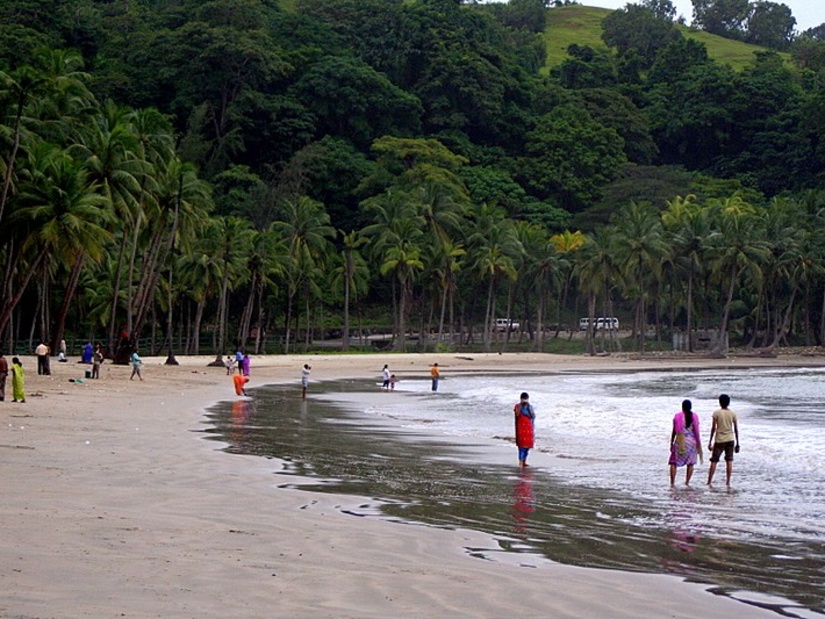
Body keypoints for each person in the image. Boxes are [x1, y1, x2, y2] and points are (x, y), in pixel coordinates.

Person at [707, 394, 740, 487]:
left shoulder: (716, 413)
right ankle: (728, 482)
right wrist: (737, 443)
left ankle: (709, 481)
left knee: (714, 461)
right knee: (729, 461)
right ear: (728, 403)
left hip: (719, 440)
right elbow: (736, 429)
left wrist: (710, 441)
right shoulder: (733, 414)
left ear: (720, 402)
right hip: (730, 439)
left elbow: (713, 428)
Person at [669, 399, 702, 486]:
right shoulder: (694, 416)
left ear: (682, 407)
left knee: (673, 462)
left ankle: (672, 483)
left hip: (680, 441)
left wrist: (672, 441)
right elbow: (697, 431)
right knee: (690, 463)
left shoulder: (677, 416)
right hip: (691, 442)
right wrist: (698, 444)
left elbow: (674, 431)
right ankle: (687, 482)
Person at [513, 392, 536, 467]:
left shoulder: (530, 407)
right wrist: (521, 405)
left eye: (526, 399)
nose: (525, 400)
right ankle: (520, 462)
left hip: (528, 428)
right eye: (524, 399)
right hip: (521, 428)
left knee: (527, 446)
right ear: (521, 399)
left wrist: (528, 407)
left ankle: (524, 461)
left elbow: (533, 416)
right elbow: (517, 414)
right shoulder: (518, 407)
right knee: (521, 446)